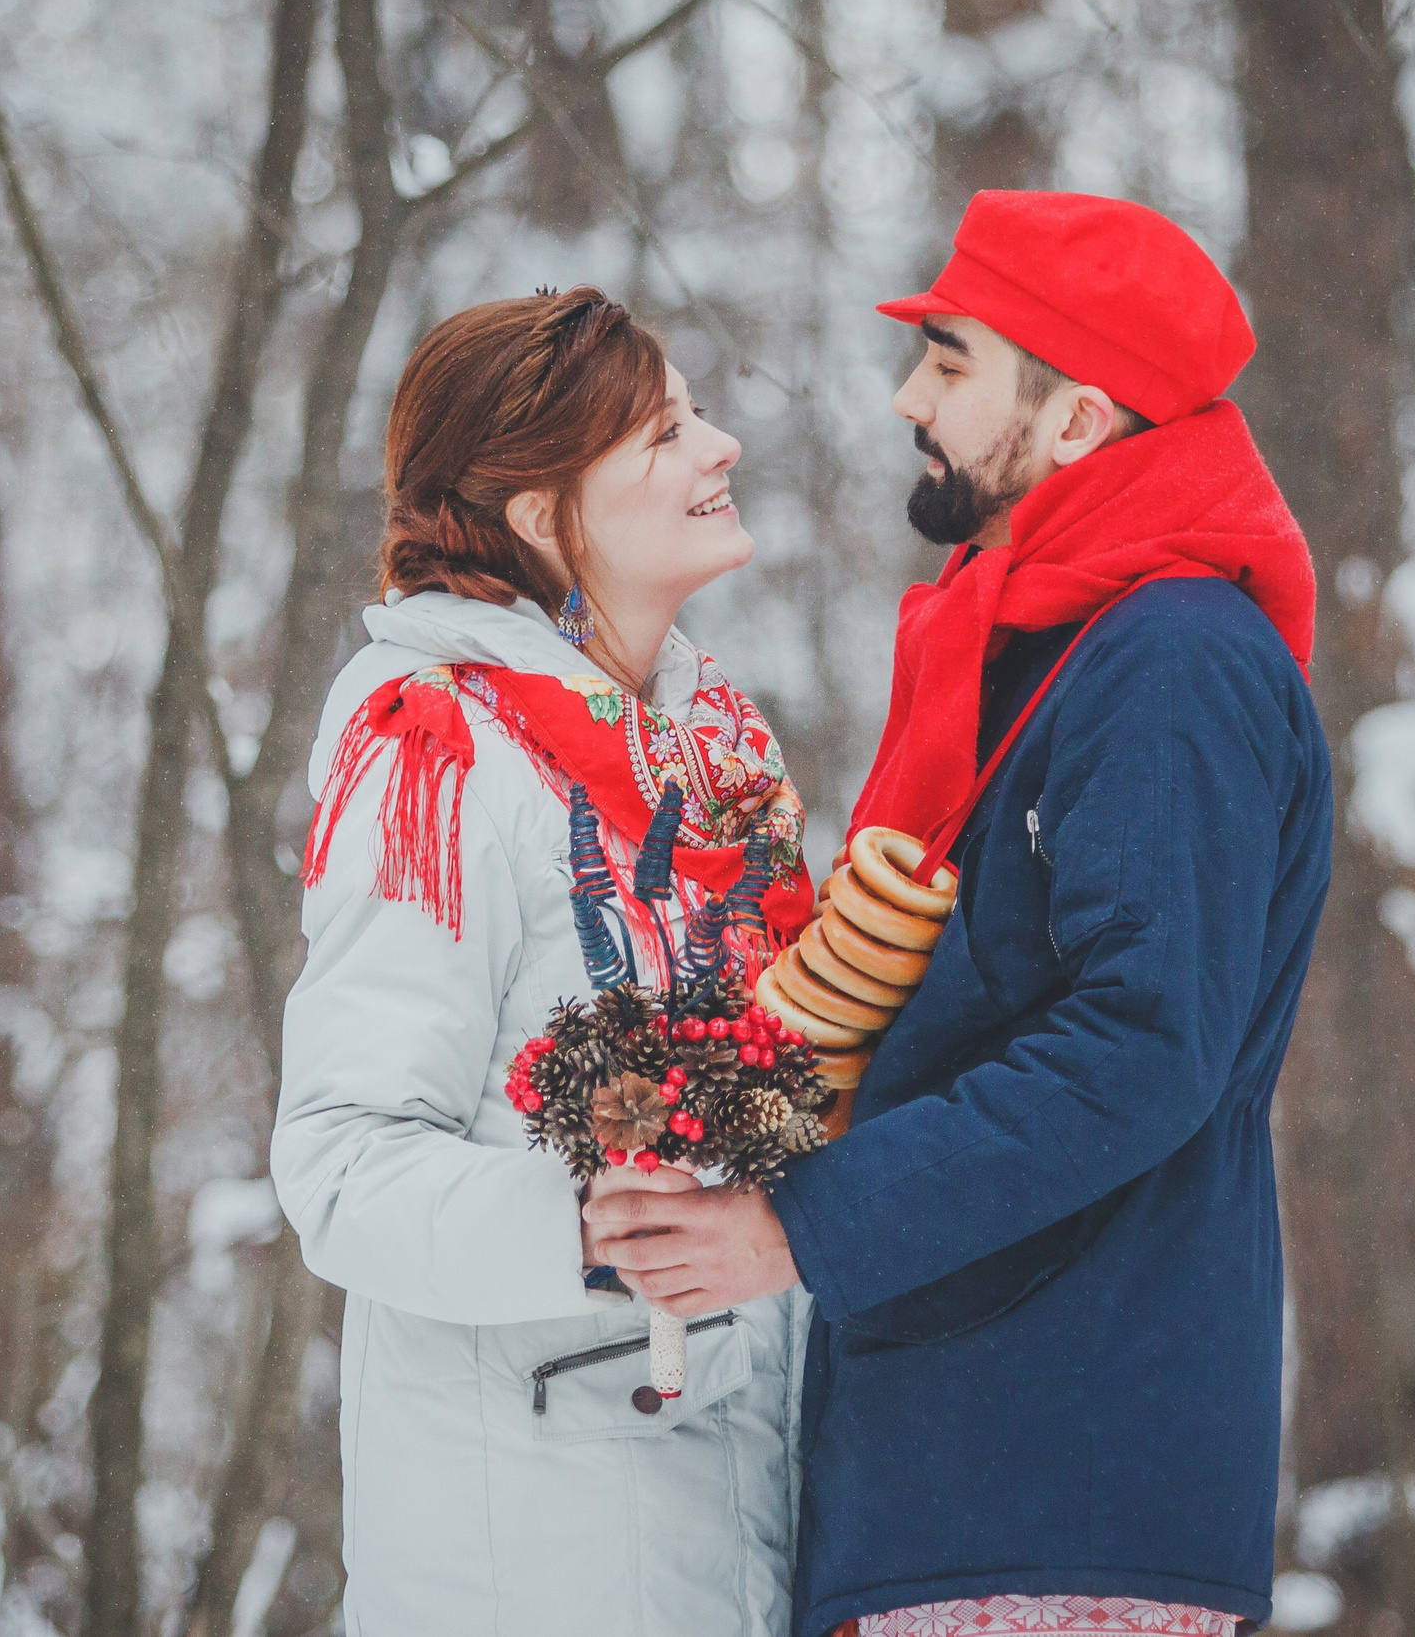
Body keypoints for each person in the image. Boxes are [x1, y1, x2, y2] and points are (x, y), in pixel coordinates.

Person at [585, 190, 1333, 1637]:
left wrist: (796, 1229)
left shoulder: (1170, 665)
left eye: (949, 360)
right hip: (956, 1478)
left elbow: (1140, 1049)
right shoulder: (1044, 649)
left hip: (1065, 1483)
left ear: (1075, 420)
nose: (904, 396)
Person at [270, 285, 819, 1636]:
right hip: (536, 1541)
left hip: (743, 1492)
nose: (719, 449)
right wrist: (591, 1225)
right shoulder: (440, 752)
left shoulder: (715, 760)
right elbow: (341, 1165)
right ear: (538, 514)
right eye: (663, 434)